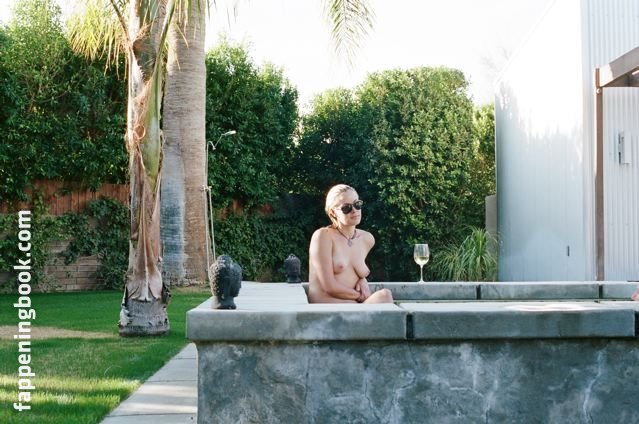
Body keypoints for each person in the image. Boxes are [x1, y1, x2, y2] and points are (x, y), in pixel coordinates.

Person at [307, 184, 393, 304]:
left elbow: (351, 269)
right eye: (346, 208)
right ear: (333, 212)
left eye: (357, 204)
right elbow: (329, 286)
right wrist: (359, 295)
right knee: (384, 296)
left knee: (385, 296)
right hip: (328, 310)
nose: (354, 210)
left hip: (355, 308)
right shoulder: (323, 236)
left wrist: (361, 279)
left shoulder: (367, 239)